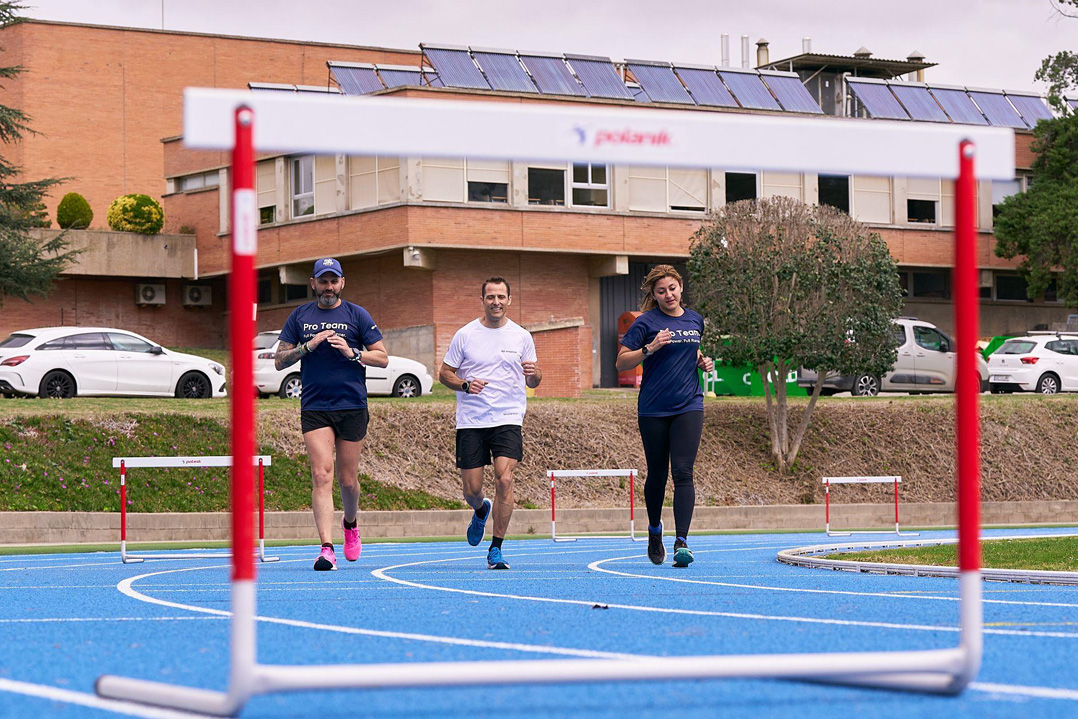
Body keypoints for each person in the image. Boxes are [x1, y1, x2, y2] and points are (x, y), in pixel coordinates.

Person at [275, 257, 389, 571]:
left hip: (351, 405)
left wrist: (352, 352)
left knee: (348, 481)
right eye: (322, 281)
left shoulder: (357, 315)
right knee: (321, 475)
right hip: (315, 406)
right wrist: (307, 347)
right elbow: (279, 360)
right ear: (312, 283)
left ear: (342, 283)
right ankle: (326, 548)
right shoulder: (300, 316)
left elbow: (382, 358)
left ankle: (350, 524)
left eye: (333, 281)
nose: (328, 287)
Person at [439, 277, 542, 570]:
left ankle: (496, 548)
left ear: (509, 300)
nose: (496, 301)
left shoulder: (521, 336)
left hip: (508, 417)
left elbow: (534, 378)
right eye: (490, 297)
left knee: (505, 478)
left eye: (501, 296)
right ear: (482, 300)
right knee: (472, 490)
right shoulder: (465, 334)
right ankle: (481, 509)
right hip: (471, 420)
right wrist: (464, 384)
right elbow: (444, 373)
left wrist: (534, 374)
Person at [616, 265, 713, 568]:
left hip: (689, 404)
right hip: (654, 408)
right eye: (661, 291)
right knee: (657, 474)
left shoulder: (695, 319)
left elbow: (689, 353)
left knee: (683, 471)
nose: (668, 294)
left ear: (680, 288)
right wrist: (650, 347)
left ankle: (681, 541)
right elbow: (621, 362)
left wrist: (701, 362)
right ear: (654, 295)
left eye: (672, 288)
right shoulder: (646, 322)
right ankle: (655, 529)